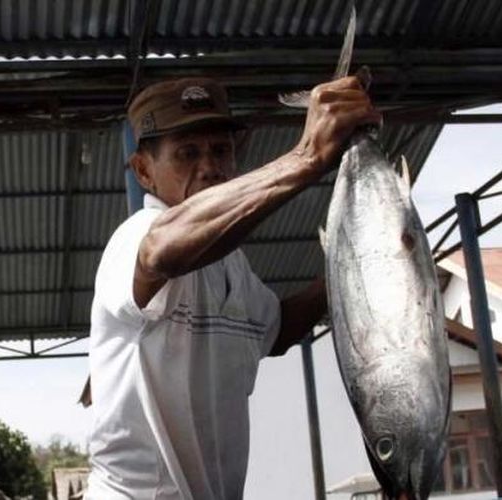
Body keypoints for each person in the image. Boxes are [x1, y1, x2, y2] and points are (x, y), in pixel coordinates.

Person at [85, 76, 381, 499]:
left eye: (220, 150)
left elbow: (277, 331)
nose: (209, 167)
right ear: (144, 171)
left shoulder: (232, 265)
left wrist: (353, 265)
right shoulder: (136, 237)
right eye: (187, 153)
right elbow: (161, 251)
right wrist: (306, 157)